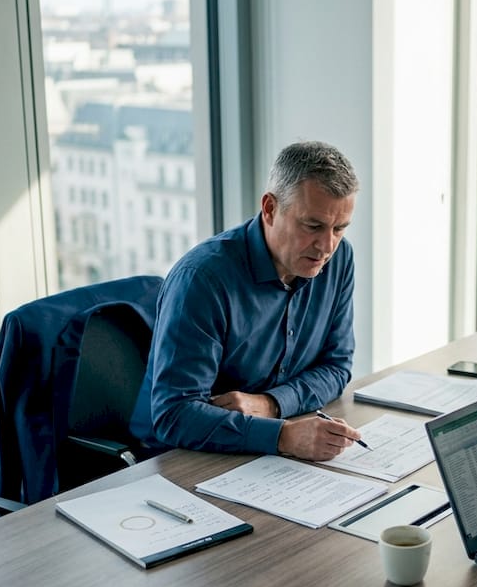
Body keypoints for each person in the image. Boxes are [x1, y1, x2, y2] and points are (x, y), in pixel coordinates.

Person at [129, 140, 362, 461]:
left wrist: (271, 404)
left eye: (340, 228)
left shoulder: (339, 260)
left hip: (270, 450)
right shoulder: (202, 279)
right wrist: (282, 436)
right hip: (180, 458)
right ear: (270, 208)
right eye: (313, 226)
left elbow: (336, 367)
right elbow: (174, 415)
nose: (327, 246)